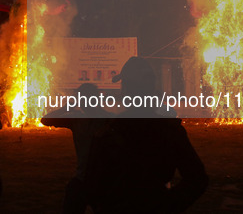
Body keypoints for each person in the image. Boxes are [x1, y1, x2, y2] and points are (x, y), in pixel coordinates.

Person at [86, 57, 208, 213]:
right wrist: (168, 204)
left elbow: (91, 183)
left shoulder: (110, 131)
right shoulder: (170, 130)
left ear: (127, 92)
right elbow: (197, 179)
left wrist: (106, 205)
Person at [41, 83, 110, 214]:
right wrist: (66, 108)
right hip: (82, 178)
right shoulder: (76, 119)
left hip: (101, 179)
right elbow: (45, 120)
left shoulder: (107, 119)